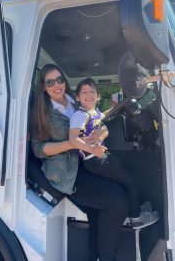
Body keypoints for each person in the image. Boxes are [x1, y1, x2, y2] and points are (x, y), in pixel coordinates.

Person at [31, 64, 129, 261]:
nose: (56, 85)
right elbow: (39, 149)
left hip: (88, 162)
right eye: (50, 82)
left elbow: (98, 122)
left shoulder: (76, 102)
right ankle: (107, 257)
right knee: (117, 201)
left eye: (59, 80)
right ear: (43, 86)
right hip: (67, 172)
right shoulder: (42, 112)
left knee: (98, 213)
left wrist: (102, 132)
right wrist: (71, 143)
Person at [69, 77, 159, 228]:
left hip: (101, 157)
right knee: (130, 180)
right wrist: (93, 149)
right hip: (96, 159)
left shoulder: (93, 112)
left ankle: (134, 208)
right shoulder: (81, 115)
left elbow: (103, 116)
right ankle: (136, 217)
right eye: (84, 92)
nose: (89, 94)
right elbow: (73, 139)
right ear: (77, 97)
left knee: (126, 178)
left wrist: (119, 106)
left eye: (92, 91)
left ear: (98, 96)